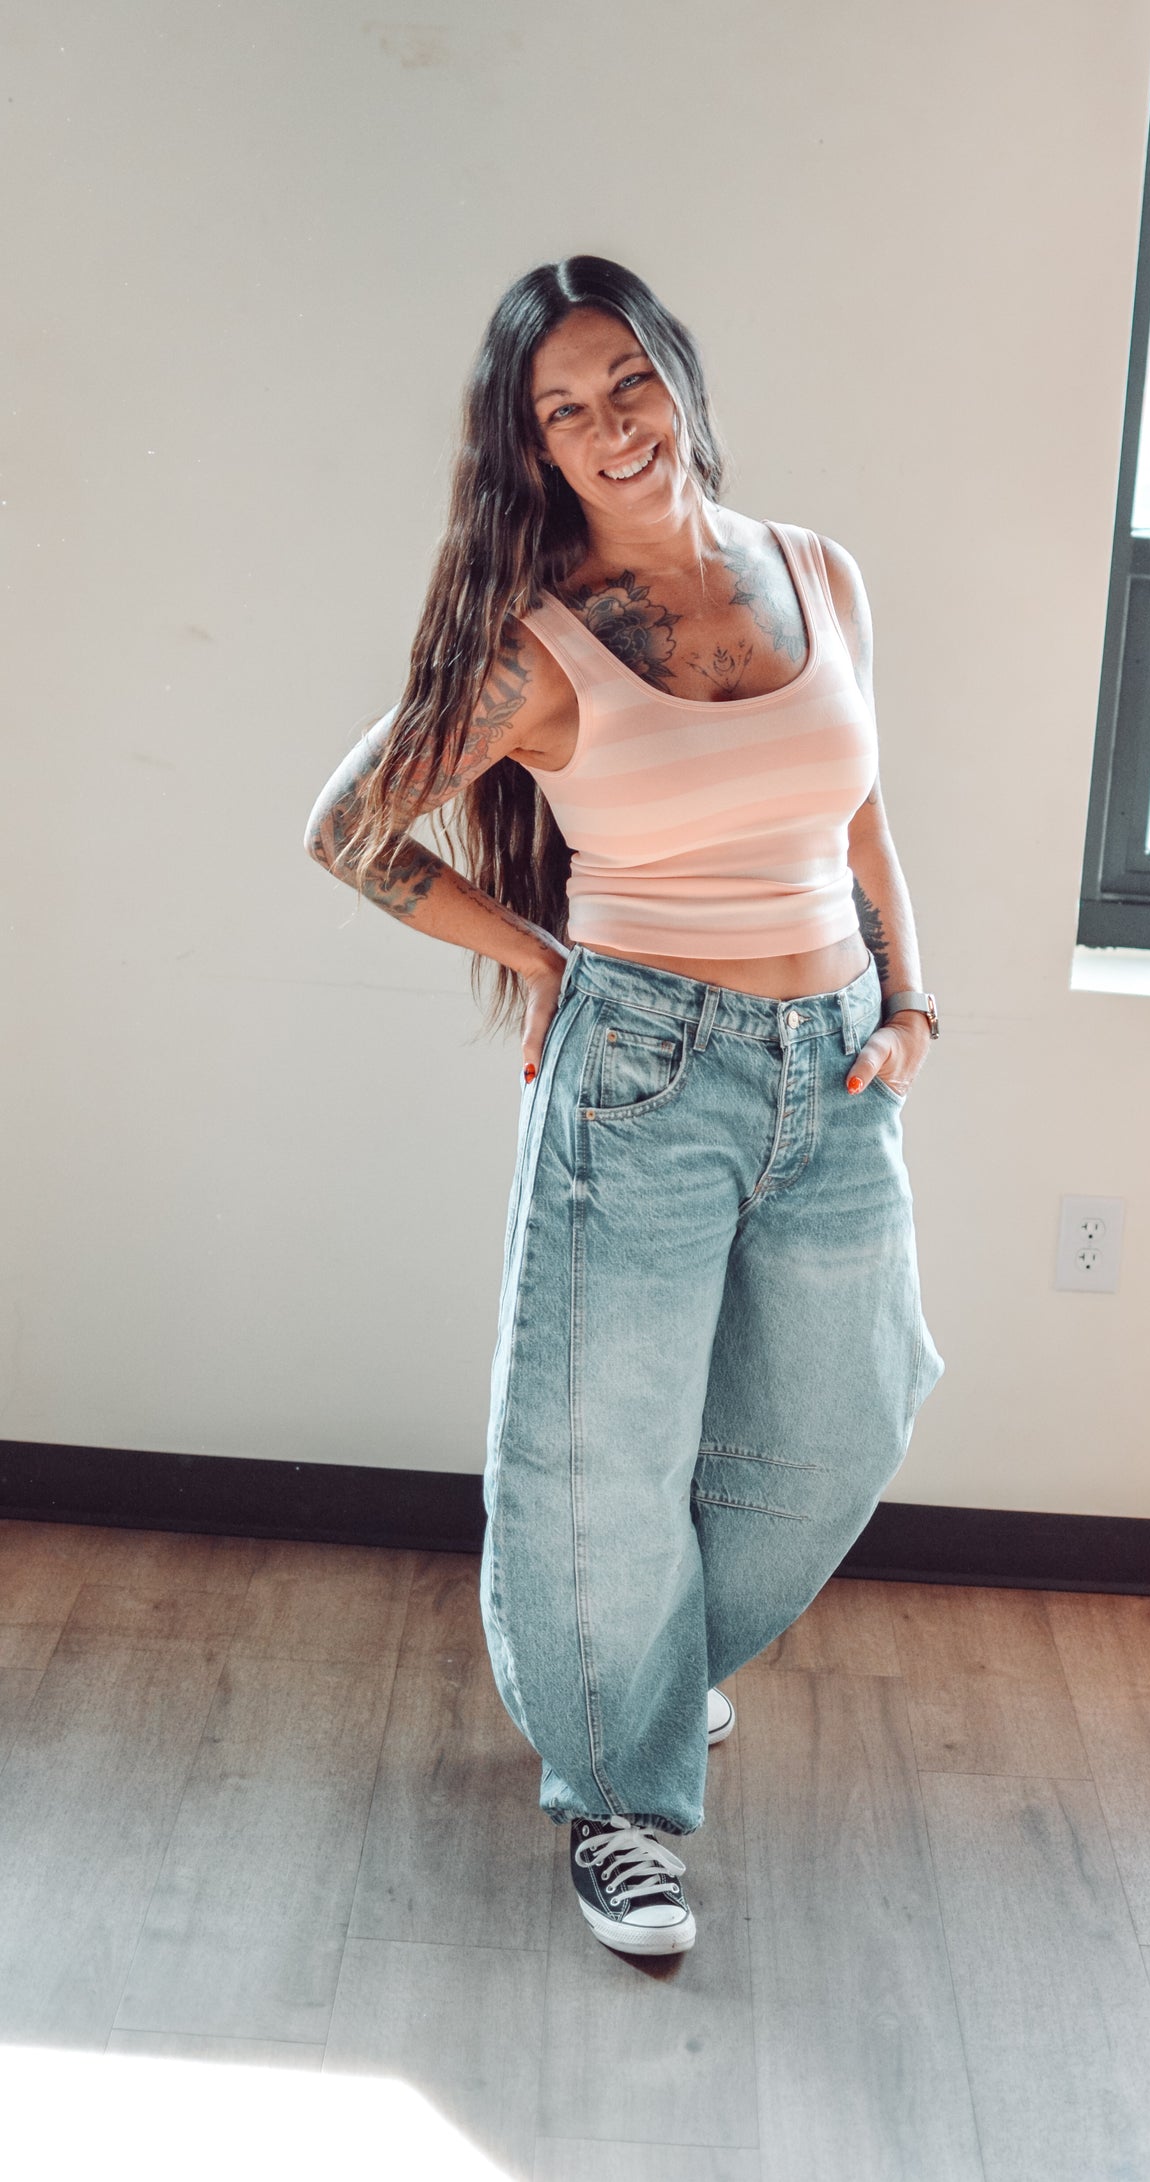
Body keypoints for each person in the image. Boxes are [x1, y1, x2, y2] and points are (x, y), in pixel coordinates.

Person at [304, 256, 944, 1958]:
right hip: (642, 1066)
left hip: (833, 1056)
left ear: (677, 369)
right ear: (533, 448)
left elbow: (863, 815)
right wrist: (535, 954)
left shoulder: (818, 572)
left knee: (849, 1412)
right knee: (603, 1455)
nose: (607, 430)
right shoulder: (543, 646)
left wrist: (914, 1000)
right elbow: (350, 829)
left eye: (625, 382)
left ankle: (636, 1683)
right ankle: (619, 1802)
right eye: (561, 413)